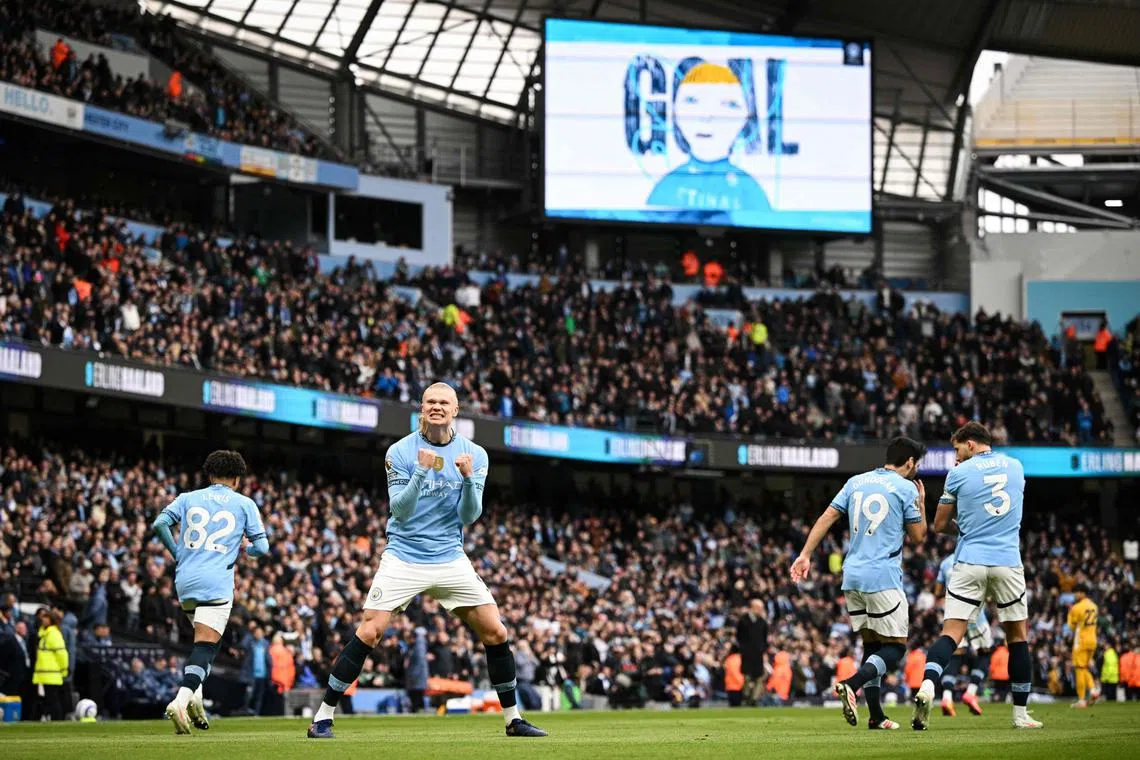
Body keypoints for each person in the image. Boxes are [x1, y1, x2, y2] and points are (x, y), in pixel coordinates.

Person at [308, 383, 547, 739]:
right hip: (404, 555)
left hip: (450, 556)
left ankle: (513, 719)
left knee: (496, 631)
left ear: (456, 410)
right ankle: (322, 716)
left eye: (443, 403)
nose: (437, 407)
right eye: (431, 402)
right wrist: (421, 471)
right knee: (370, 630)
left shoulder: (474, 455)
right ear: (421, 408)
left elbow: (470, 515)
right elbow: (399, 511)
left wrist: (467, 480)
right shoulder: (400, 451)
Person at [791, 436, 928, 730]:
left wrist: (805, 554)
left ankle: (876, 716)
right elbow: (918, 537)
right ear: (910, 462)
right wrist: (922, 505)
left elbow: (827, 516)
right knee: (895, 648)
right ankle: (851, 684)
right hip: (882, 576)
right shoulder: (905, 488)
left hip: (852, 575)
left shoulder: (855, 482)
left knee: (872, 646)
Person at [912, 422, 1042, 730]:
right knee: (1017, 637)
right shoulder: (1016, 466)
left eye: (957, 449)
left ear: (971, 444)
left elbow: (940, 525)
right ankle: (1020, 715)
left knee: (951, 633)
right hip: (1008, 561)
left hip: (969, 560)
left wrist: (966, 526)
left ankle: (929, 686)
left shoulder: (958, 474)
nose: (955, 458)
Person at [152, 450, 269, 734]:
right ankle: (181, 700)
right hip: (216, 583)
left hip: (185, 581)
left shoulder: (188, 497)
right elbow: (262, 548)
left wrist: (177, 553)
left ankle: (196, 701)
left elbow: (159, 524)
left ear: (208, 474)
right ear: (238, 479)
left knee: (202, 645)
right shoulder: (244, 504)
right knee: (207, 646)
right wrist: (247, 549)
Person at [933, 548, 993, 716]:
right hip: (976, 616)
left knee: (955, 656)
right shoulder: (976, 557)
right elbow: (988, 593)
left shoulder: (945, 563)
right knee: (985, 652)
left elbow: (937, 592)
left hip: (953, 616)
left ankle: (947, 697)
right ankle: (971, 692)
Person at [1067, 583, 1100, 708]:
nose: (1075, 595)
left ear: (1082, 592)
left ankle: (1081, 699)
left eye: (1076, 592)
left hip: (1081, 641)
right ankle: (1093, 691)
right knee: (1085, 667)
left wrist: (1069, 614)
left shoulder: (1076, 607)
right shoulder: (1094, 606)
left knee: (1079, 669)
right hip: (1093, 640)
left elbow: (1072, 626)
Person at [32, 609, 69, 721]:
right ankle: (49, 719)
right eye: (43, 617)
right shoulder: (44, 634)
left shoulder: (53, 634)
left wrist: (64, 670)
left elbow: (62, 654)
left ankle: (56, 720)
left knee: (53, 699)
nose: (43, 619)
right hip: (44, 674)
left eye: (46, 617)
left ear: (51, 620)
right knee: (47, 699)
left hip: (51, 674)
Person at [736, 599, 768, 705]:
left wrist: (763, 652)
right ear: (753, 607)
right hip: (747, 655)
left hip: (758, 655)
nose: (761, 610)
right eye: (759, 608)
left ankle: (754, 699)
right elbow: (739, 637)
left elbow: (764, 639)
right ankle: (746, 698)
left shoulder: (762, 623)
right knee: (747, 677)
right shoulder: (743, 621)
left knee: (760, 677)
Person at [1101, 639, 1120, 703]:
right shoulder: (1113, 653)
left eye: (1105, 644)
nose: (1104, 646)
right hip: (1113, 678)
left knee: (1110, 697)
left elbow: (1110, 666)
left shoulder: (1108, 653)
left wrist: (1106, 677)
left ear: (1109, 645)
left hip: (1109, 678)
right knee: (1113, 696)